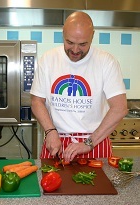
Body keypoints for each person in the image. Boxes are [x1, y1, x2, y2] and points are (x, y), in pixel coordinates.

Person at [30, 11, 128, 162]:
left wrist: (89, 143)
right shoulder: (48, 59)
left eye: (83, 44)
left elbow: (120, 108)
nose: (75, 50)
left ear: (92, 36)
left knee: (101, 186)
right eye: (70, 42)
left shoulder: (106, 62)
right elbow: (37, 101)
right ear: (63, 34)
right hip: (56, 140)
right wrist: (50, 131)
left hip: (95, 141)